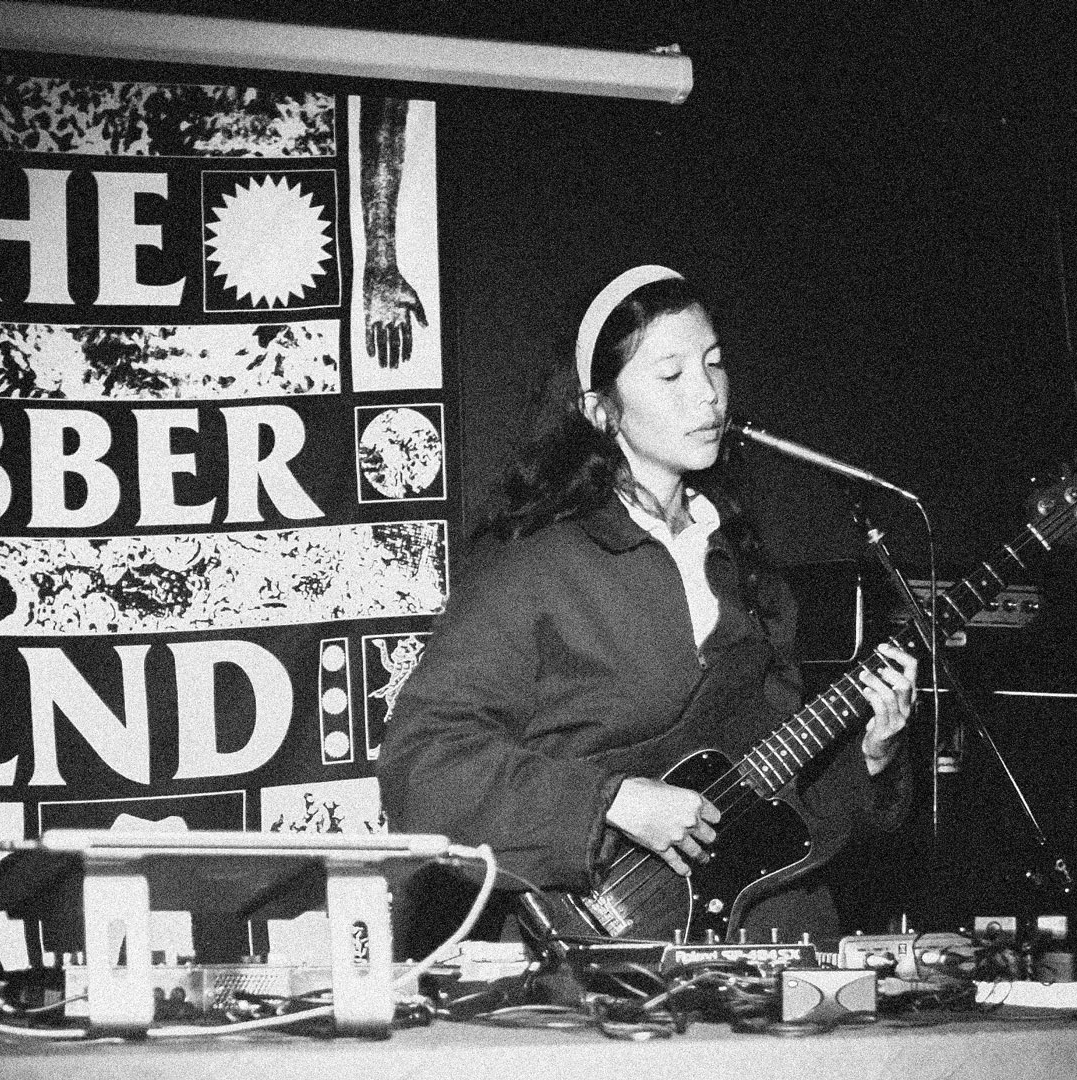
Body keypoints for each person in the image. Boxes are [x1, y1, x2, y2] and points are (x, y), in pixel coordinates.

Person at [376, 265, 919, 955]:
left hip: (762, 951)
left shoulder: (747, 570)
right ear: (601, 411)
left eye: (714, 364)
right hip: (590, 953)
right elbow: (424, 770)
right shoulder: (534, 567)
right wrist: (612, 802)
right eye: (671, 375)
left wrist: (872, 757)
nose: (709, 394)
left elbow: (779, 808)